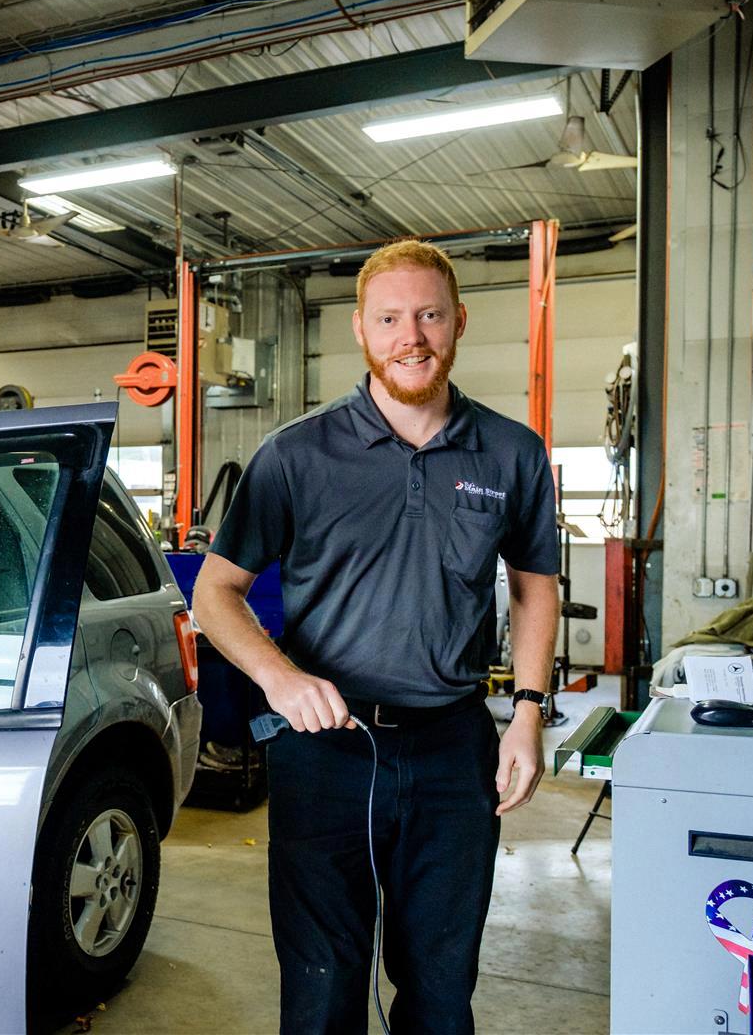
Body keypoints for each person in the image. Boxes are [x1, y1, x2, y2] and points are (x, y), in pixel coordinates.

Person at [192, 239, 560, 1034]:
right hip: (325, 751)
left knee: (438, 983)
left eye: (428, 314)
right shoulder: (295, 454)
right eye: (390, 318)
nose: (411, 335)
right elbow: (214, 593)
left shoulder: (511, 452)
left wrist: (526, 712)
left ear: (457, 321)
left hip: (452, 749)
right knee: (324, 985)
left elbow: (535, 587)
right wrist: (279, 678)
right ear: (361, 330)